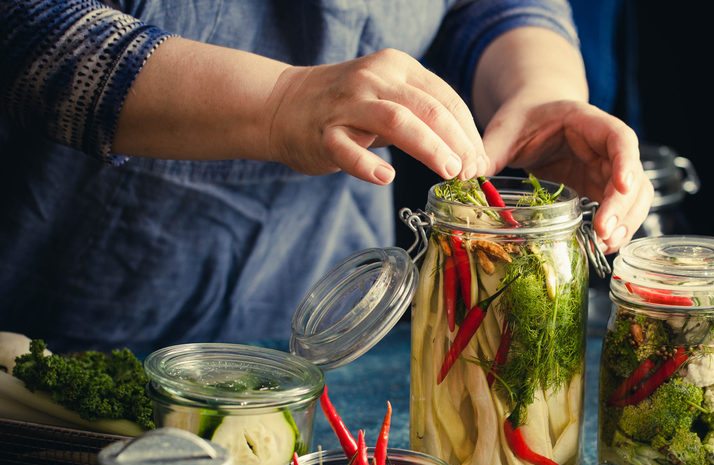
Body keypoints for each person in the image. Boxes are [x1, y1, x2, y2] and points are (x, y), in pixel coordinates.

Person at [0, 0, 652, 354]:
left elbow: (492, 7)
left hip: (328, 346)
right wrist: (280, 101)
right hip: (59, 347)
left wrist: (543, 90)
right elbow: (23, 29)